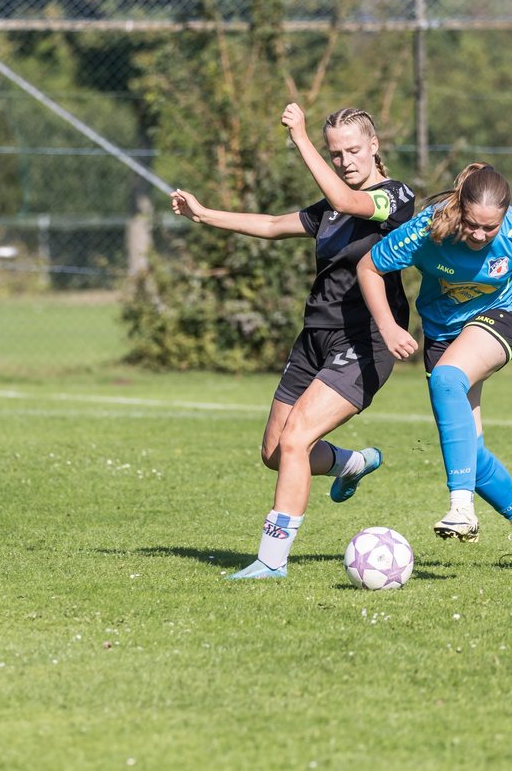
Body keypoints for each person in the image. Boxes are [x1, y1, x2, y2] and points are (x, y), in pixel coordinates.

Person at [170, 104, 416, 579]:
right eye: (335, 152)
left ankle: (271, 559)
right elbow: (269, 224)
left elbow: (349, 202)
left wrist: (301, 138)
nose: (344, 160)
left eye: (352, 150)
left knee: (299, 437)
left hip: (365, 340)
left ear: (374, 146)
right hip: (315, 338)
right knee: (275, 452)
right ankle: (350, 463)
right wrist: (203, 215)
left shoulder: (396, 197)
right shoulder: (330, 209)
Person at [356, 162, 512, 572]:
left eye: (491, 228)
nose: (481, 236)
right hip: (444, 331)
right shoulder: (428, 229)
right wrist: (389, 326)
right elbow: (369, 267)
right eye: (473, 225)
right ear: (459, 208)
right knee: (469, 449)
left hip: (505, 313)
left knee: (447, 380)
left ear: (505, 217)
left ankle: (460, 508)